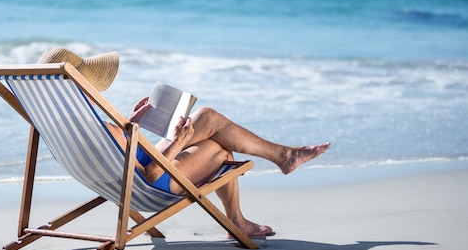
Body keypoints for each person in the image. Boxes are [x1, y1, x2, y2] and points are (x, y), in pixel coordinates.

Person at [39, 47, 331, 238]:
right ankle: (280, 162)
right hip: (156, 185)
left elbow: (122, 156)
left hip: (130, 180)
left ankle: (275, 168)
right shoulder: (98, 127)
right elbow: (150, 172)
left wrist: (133, 125)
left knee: (213, 132)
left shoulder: (70, 125)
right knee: (214, 133)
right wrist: (179, 142)